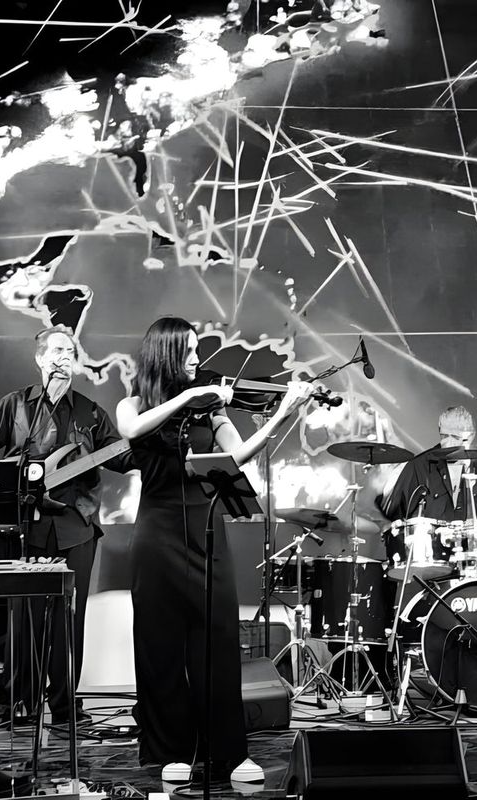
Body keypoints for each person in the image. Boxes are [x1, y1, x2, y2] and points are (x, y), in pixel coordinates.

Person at [115, 317, 312, 783]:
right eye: (187, 351)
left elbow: (237, 456)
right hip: (157, 536)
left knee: (218, 643)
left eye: (196, 350)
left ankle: (228, 753)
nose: (196, 359)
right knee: (159, 646)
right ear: (165, 354)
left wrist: (283, 413)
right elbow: (133, 430)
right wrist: (188, 398)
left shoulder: (212, 411)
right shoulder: (134, 404)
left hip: (206, 532)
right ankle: (170, 750)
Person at [0, 326, 134, 723]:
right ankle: (20, 702)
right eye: (56, 350)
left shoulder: (90, 412)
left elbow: (121, 457)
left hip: (77, 526)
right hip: (28, 526)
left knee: (69, 619)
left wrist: (147, 445)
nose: (64, 357)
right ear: (40, 358)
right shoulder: (16, 405)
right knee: (25, 618)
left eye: (70, 351)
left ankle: (64, 706)